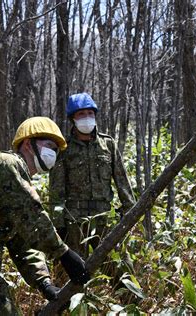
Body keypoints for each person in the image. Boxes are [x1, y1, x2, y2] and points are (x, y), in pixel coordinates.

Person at [0, 117, 90, 315]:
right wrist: (64, 253)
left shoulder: (22, 182)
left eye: (55, 150)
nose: (53, 153)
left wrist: (44, 283)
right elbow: (30, 216)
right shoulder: (5, 165)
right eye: (49, 145)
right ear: (27, 143)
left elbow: (21, 241)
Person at [49, 92, 135, 257]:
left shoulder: (108, 144)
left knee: (119, 267)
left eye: (90, 113)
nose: (86, 117)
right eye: (81, 114)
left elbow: (122, 181)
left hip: (104, 219)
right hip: (74, 222)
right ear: (73, 118)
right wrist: (58, 224)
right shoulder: (63, 149)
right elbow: (56, 190)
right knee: (72, 271)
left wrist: (129, 211)